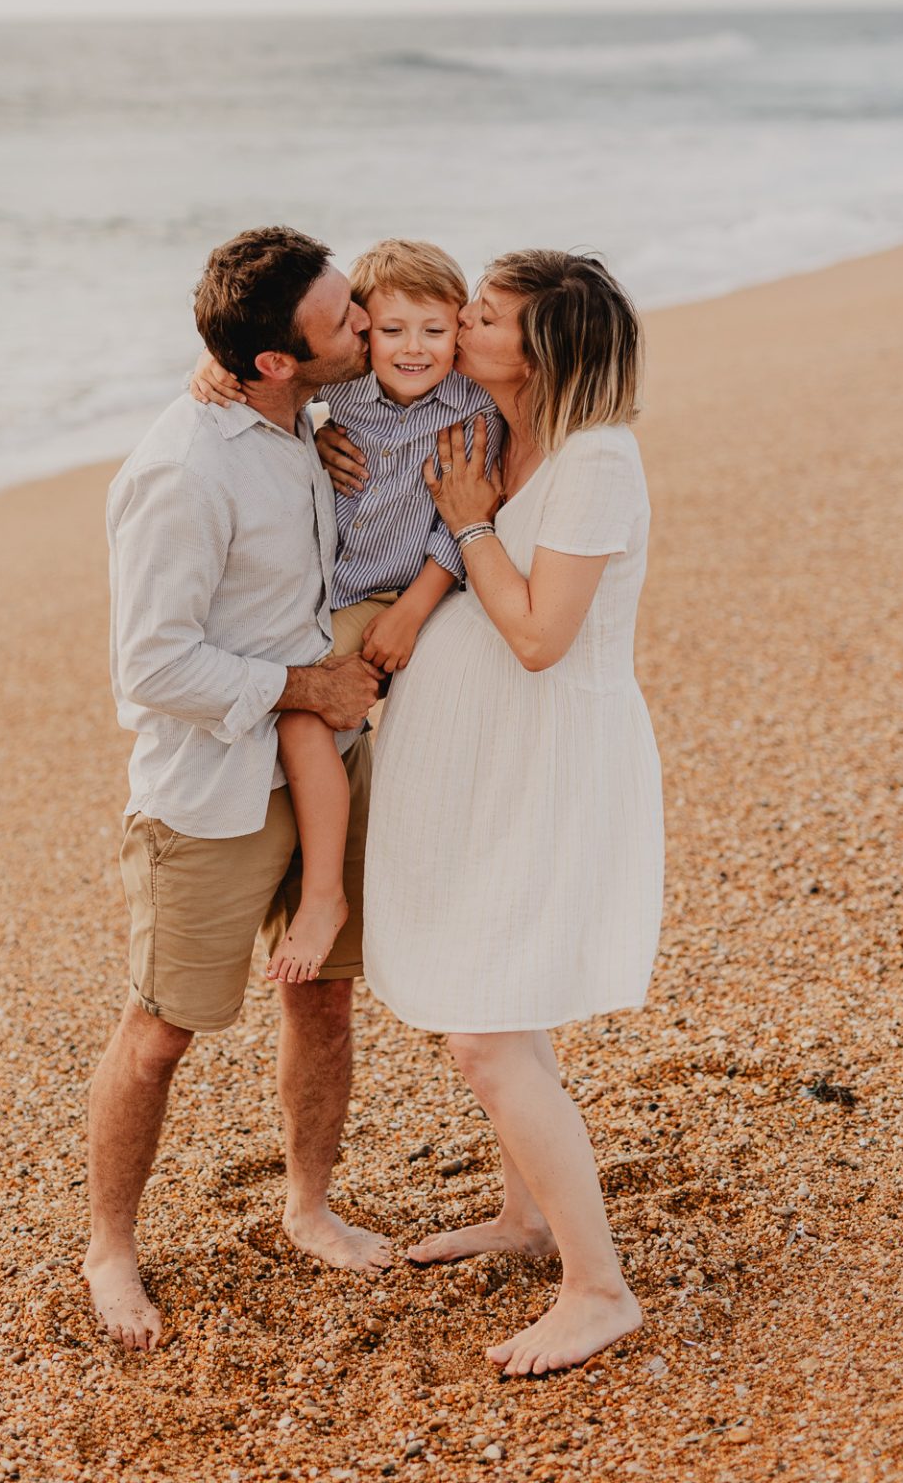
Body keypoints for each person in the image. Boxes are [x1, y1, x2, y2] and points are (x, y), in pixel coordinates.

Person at [327, 249, 665, 1378]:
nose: (458, 324)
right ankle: (527, 1218)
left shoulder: (596, 464)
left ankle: (597, 1287)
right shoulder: (492, 426)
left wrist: (469, 527)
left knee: (480, 1030)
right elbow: (356, 376)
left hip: (550, 764)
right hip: (488, 768)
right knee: (508, 1009)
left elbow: (535, 636)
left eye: (482, 315)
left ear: (543, 347)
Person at [83, 226, 389, 1355]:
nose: (365, 324)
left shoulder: (298, 418)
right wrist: (300, 682)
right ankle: (109, 1245)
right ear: (272, 361)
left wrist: (332, 442)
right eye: (346, 319)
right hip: (209, 793)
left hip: (322, 770)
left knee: (324, 998)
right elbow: (147, 666)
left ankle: (307, 1205)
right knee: (160, 1032)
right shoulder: (177, 473)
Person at [189, 239, 502, 984]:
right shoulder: (342, 395)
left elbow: (462, 522)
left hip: (395, 593)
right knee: (312, 710)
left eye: (434, 329)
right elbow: (271, 374)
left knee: (305, 714)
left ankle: (324, 893)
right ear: (363, 329)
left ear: (459, 327)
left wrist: (413, 610)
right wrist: (209, 369)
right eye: (391, 330)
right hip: (333, 592)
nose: (413, 348)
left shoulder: (472, 407)